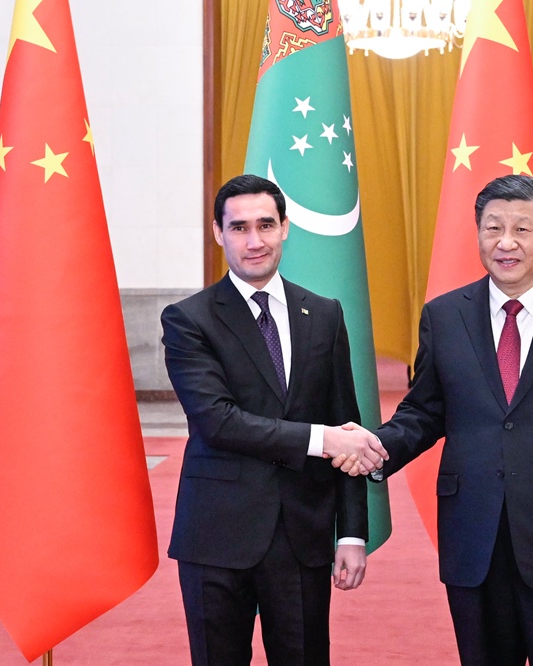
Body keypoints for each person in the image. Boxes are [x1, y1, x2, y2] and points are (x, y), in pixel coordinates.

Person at [340, 175, 533, 665]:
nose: (506, 242)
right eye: (493, 228)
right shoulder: (444, 316)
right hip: (474, 536)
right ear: (478, 233)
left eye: (522, 229)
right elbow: (424, 410)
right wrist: (376, 448)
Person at [161, 174, 387, 665]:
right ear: (218, 233)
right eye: (239, 227)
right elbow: (218, 421)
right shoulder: (188, 320)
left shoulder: (324, 314)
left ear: (285, 227)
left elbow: (347, 425)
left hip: (302, 535)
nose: (254, 241)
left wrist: (352, 534)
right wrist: (321, 440)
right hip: (217, 537)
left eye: (265, 225)